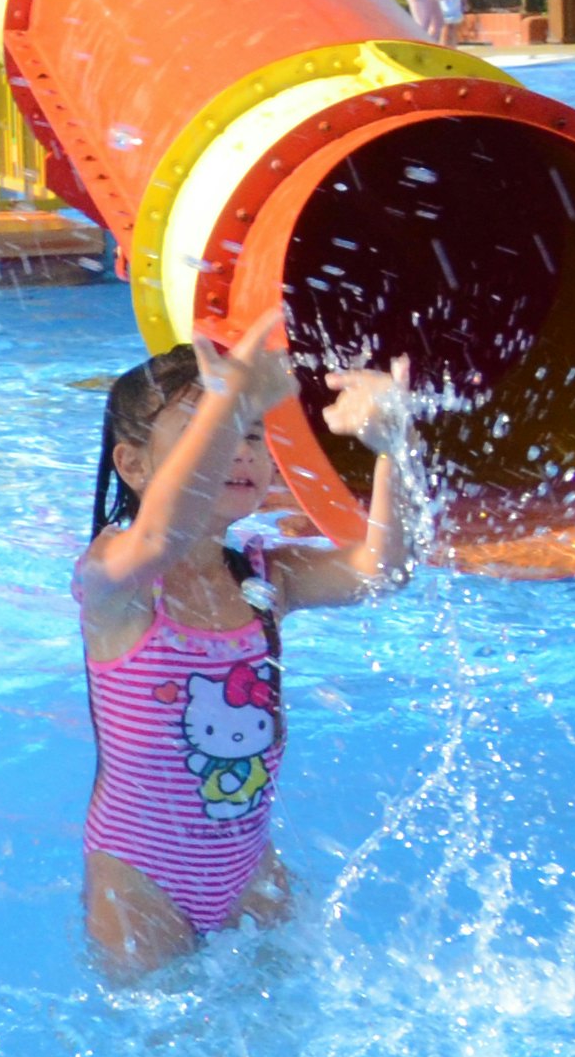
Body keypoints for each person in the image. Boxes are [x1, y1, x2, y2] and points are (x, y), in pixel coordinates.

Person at [74, 303, 421, 978]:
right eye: (210, 429)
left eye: (253, 433)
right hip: (138, 880)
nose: (240, 448)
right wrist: (231, 403)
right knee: (162, 1037)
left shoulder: (266, 577)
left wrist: (395, 448)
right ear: (134, 465)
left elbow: (386, 570)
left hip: (249, 870)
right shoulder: (115, 581)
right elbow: (162, 535)